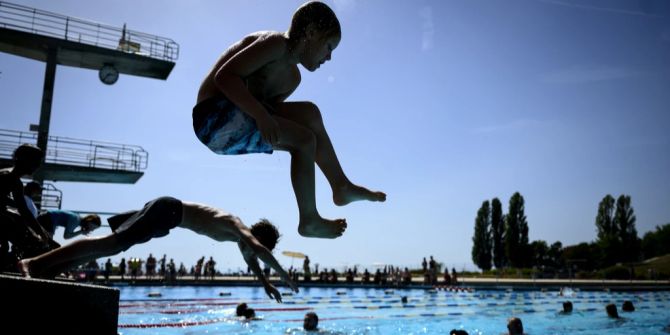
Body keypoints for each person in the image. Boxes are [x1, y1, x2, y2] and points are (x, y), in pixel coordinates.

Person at [193, 1, 385, 239]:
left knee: (310, 114)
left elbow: (271, 114)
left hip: (234, 122)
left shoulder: (293, 79)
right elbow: (225, 77)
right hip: (211, 117)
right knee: (303, 140)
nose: (329, 57)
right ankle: (309, 219)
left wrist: (263, 114)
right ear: (311, 33)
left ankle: (340, 185)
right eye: (328, 46)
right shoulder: (275, 44)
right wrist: (261, 115)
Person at [18, 196, 298, 302]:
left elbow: (253, 260)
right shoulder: (236, 225)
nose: (256, 249)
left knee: (112, 248)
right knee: (110, 244)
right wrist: (284, 275)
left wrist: (266, 284)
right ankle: (33, 263)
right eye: (262, 244)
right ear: (258, 236)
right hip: (168, 210)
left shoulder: (241, 239)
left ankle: (51, 268)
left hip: (167, 219)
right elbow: (258, 251)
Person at [0, 144, 52, 266]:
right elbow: (24, 212)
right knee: (35, 245)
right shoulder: (9, 177)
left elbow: (21, 209)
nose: (38, 166)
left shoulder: (13, 179)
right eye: (37, 162)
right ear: (26, 160)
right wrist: (43, 234)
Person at [37, 209, 101, 240]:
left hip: (46, 217)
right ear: (89, 221)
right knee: (48, 242)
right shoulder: (75, 220)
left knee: (47, 241)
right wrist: (81, 232)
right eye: (93, 227)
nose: (92, 230)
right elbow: (66, 236)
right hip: (47, 219)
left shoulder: (77, 218)